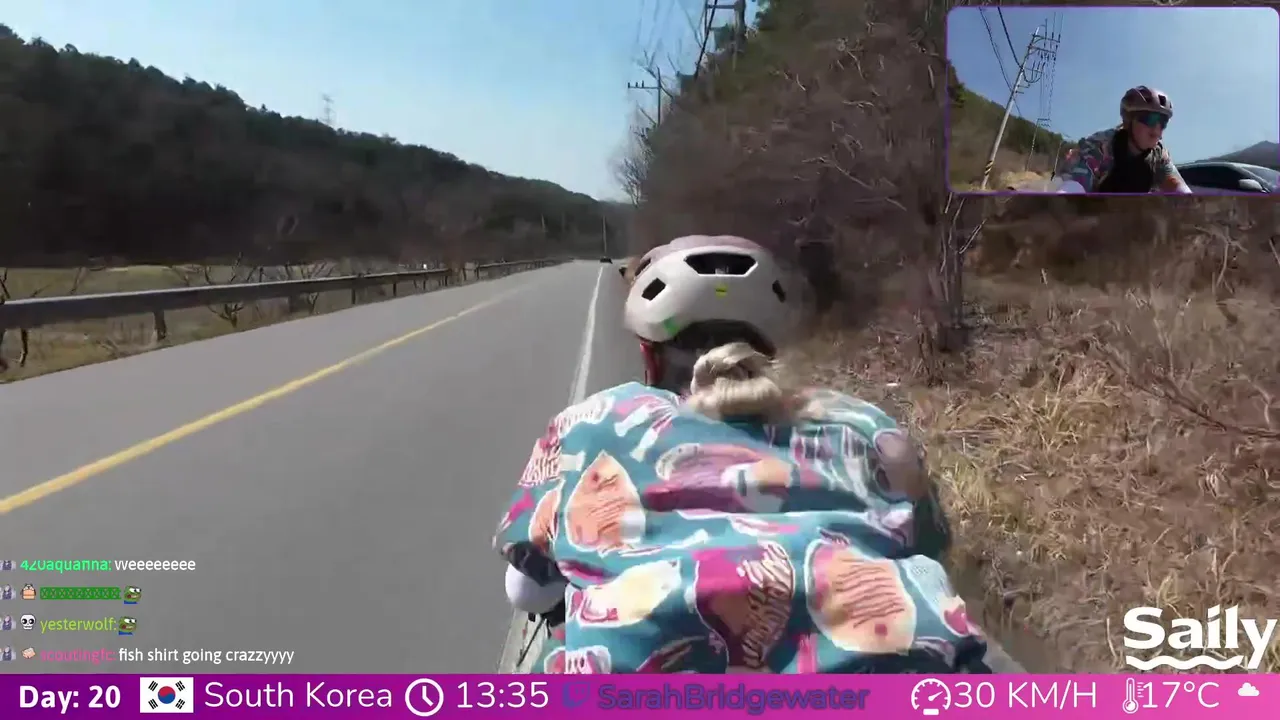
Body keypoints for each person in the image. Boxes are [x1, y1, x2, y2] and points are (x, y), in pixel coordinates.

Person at [493, 235, 988, 674]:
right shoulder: (864, 425)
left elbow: (526, 591)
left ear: (648, 354)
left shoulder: (591, 424)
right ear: (772, 348)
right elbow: (929, 549)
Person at [1052, 86, 1192, 194]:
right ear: (1128, 121)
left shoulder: (1159, 155)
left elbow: (1177, 186)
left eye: (1163, 122)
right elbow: (1076, 183)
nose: (1157, 128)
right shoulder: (1101, 145)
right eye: (1149, 119)